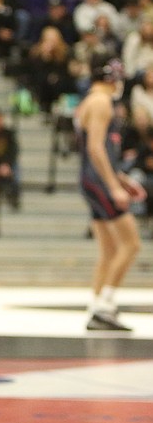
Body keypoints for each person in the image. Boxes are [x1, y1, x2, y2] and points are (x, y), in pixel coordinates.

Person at [75, 59, 144, 331]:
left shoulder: (89, 101)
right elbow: (96, 148)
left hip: (92, 179)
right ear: (112, 78)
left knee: (109, 249)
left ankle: (97, 306)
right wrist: (113, 185)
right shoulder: (101, 102)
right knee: (131, 244)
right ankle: (105, 305)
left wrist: (120, 178)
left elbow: (100, 149)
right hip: (98, 181)